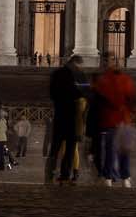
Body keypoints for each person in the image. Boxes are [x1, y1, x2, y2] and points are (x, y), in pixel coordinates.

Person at [92, 66, 136, 187]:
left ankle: (108, 178)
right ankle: (125, 178)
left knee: (109, 152)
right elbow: (132, 101)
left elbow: (99, 103)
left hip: (109, 122)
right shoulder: (126, 81)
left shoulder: (104, 82)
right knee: (124, 152)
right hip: (124, 121)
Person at [46, 55, 86, 184]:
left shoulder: (57, 73)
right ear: (76, 63)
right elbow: (83, 93)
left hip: (59, 114)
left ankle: (49, 174)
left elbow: (52, 93)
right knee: (70, 148)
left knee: (55, 148)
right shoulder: (78, 75)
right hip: (72, 116)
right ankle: (65, 175)